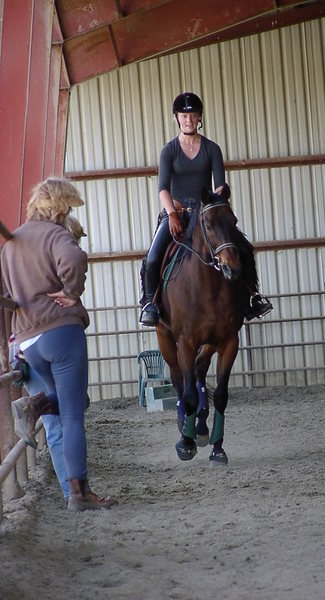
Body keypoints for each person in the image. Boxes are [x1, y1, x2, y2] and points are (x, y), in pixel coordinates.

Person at [1, 177, 114, 511]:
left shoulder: (11, 244)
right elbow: (75, 260)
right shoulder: (55, 234)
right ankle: (79, 494)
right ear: (59, 206)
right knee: (74, 413)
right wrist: (71, 292)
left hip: (27, 339)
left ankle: (35, 404)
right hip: (60, 333)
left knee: (66, 407)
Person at [139, 91, 273, 326]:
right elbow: (163, 189)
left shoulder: (212, 149)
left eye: (193, 115)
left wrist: (215, 204)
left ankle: (253, 297)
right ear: (176, 118)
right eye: (184, 116)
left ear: (199, 117)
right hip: (178, 213)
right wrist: (172, 215)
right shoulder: (169, 150)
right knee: (152, 258)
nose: (188, 120)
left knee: (243, 249)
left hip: (206, 212)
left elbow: (220, 185)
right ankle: (150, 304)